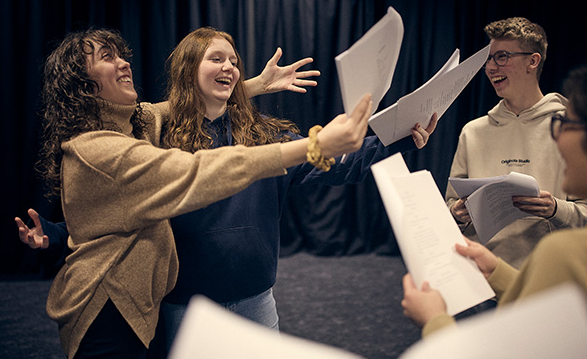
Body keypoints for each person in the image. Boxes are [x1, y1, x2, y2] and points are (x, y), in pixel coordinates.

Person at [31, 27, 372, 359]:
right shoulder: (115, 146)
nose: (124, 63)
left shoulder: (138, 123)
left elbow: (108, 212)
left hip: (225, 299)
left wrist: (397, 133)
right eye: (108, 57)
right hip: (119, 310)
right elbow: (198, 170)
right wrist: (313, 144)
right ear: (84, 86)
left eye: (234, 62)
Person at [402, 54, 587, 358]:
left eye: (566, 123)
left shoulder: (571, 255)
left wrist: (435, 320)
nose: (557, 138)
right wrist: (499, 273)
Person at [446, 17, 587, 269]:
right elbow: (450, 205)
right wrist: (456, 214)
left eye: (502, 57)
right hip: (481, 274)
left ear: (533, 60)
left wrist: (554, 209)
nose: (491, 68)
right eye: (489, 58)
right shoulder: (472, 131)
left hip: (547, 275)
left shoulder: (572, 128)